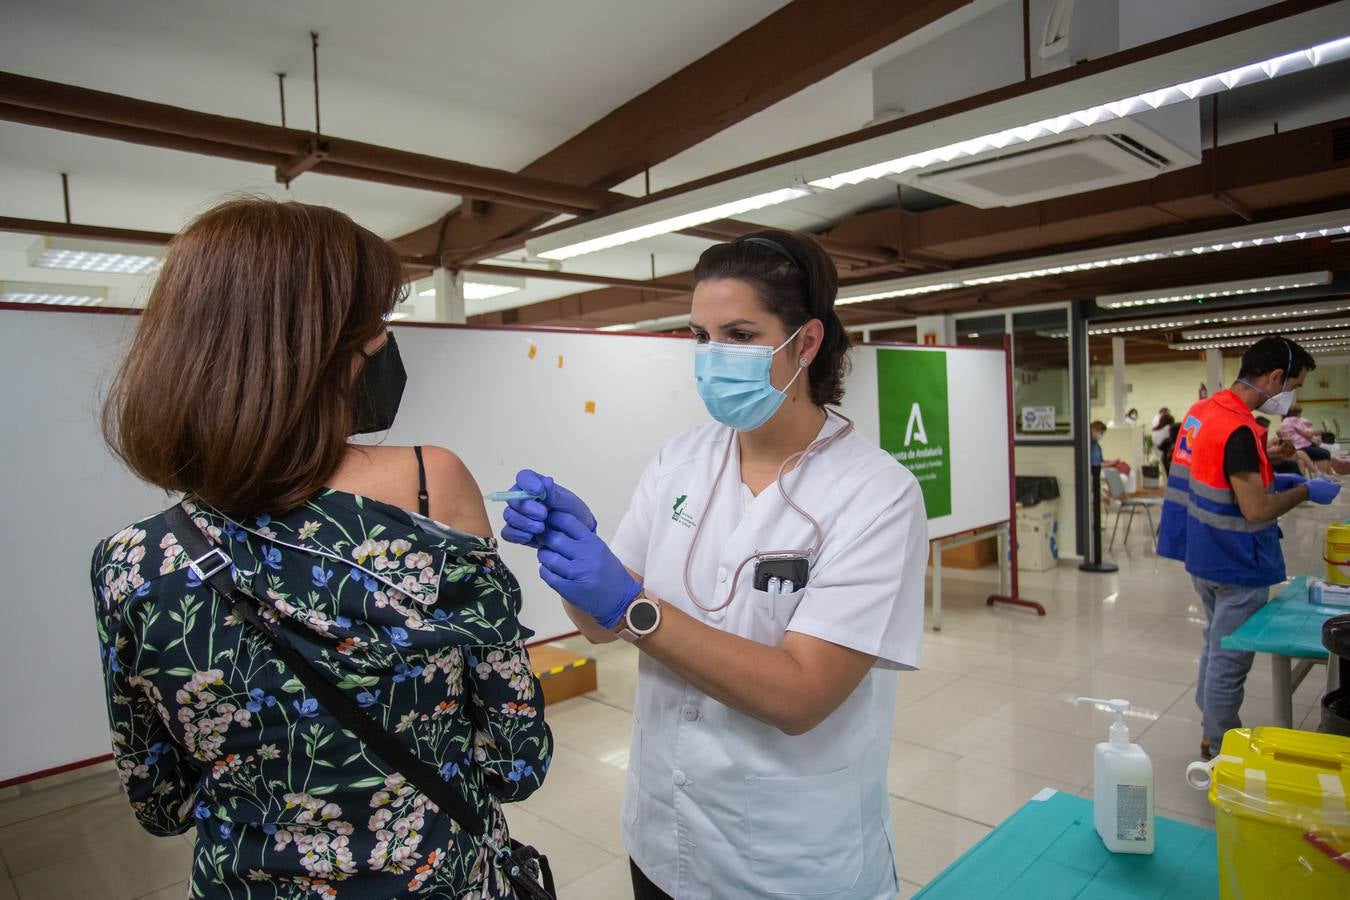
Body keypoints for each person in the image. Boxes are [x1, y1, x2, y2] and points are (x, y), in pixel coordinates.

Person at [92, 198, 550, 898]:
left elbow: (158, 802)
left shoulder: (130, 564)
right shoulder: (431, 486)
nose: (381, 345)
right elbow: (516, 762)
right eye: (374, 326)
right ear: (322, 347)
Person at [501, 230, 927, 899]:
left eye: (738, 333)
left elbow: (800, 694)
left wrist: (630, 606)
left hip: (790, 857)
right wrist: (570, 549)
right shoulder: (682, 458)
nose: (712, 357)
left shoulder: (876, 493)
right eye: (700, 336)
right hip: (662, 832)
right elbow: (596, 625)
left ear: (807, 343)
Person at [1157, 336, 1341, 760]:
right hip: (1235, 558)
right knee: (1230, 658)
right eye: (1292, 386)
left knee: (1214, 643)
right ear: (1275, 377)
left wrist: (1269, 458)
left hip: (1200, 550)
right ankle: (1218, 744)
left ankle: (1210, 721)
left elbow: (1220, 471)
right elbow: (1255, 508)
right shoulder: (1239, 428)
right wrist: (1306, 490)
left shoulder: (1204, 411)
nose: (1288, 396)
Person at [1278, 403, 1332, 474]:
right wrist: (1318, 432)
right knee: (1324, 454)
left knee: (1325, 452)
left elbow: (1304, 432)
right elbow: (1307, 434)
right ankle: (1324, 475)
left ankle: (1329, 475)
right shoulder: (1294, 420)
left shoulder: (1284, 421)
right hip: (1300, 447)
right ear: (1297, 413)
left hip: (1296, 446)